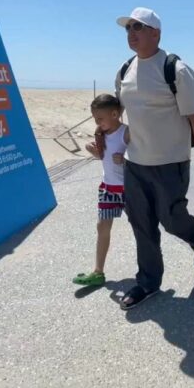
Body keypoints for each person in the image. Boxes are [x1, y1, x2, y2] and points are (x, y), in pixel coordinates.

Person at [113, 7, 194, 310]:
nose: (131, 33)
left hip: (171, 162)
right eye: (128, 28)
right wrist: (108, 141)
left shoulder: (176, 69)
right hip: (135, 163)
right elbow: (120, 113)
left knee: (172, 220)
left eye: (138, 27)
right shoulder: (124, 70)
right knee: (141, 223)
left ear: (156, 33)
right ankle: (148, 281)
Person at [73, 94, 129, 287]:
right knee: (102, 227)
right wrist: (96, 153)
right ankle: (98, 272)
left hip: (129, 189)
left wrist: (124, 158)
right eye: (95, 119)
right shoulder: (101, 134)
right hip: (108, 187)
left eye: (100, 119)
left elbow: (140, 155)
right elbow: (104, 158)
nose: (97, 123)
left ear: (115, 114)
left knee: (142, 229)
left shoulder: (126, 133)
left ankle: (148, 269)